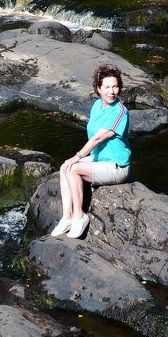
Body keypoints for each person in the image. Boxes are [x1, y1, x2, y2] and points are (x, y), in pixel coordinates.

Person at [50, 63, 132, 239]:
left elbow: (97, 138)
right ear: (98, 89)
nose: (112, 91)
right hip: (99, 160)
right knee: (65, 167)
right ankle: (67, 217)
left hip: (116, 167)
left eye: (115, 86)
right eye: (107, 87)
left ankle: (80, 216)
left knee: (73, 167)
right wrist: (73, 159)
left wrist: (77, 157)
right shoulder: (97, 106)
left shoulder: (120, 112)